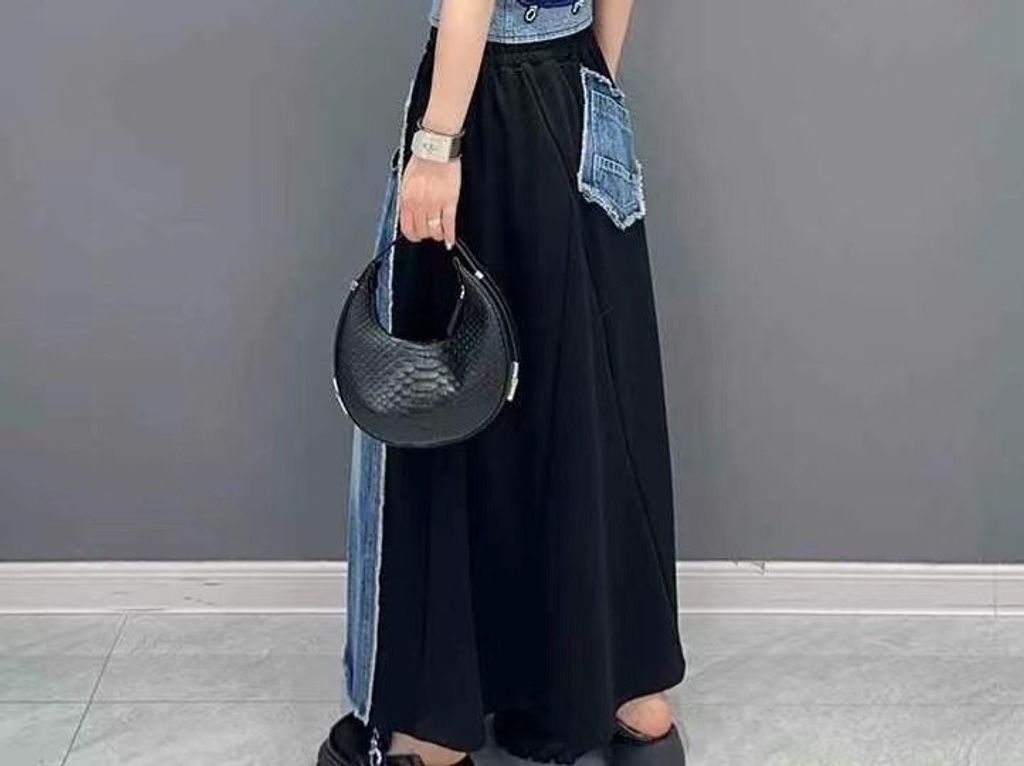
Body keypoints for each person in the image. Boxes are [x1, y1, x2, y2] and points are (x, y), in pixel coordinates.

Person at [319, 0, 686, 763]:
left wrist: (438, 143)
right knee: (586, 389)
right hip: (579, 81)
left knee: (450, 395)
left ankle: (431, 730)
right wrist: (590, 82)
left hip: (486, 99)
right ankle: (625, 695)